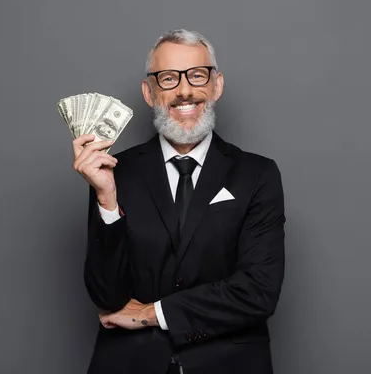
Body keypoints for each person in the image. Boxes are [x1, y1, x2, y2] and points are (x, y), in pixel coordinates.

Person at [72, 29, 286, 374]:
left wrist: (152, 313)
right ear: (149, 92)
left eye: (197, 75)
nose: (184, 90)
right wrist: (106, 197)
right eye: (168, 78)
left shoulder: (257, 174)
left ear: (216, 85)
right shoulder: (114, 172)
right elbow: (108, 297)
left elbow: (258, 291)